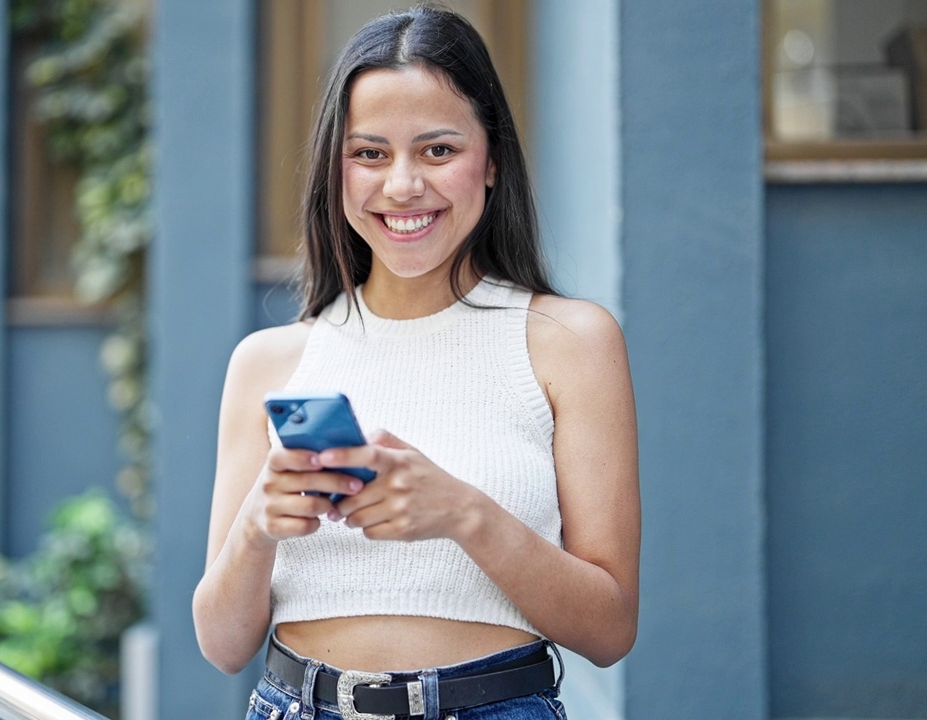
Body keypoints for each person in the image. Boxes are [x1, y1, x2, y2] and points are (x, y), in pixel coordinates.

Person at [193, 5, 639, 718]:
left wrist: (464, 513)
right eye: (369, 153)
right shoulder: (269, 361)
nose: (402, 185)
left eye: (437, 151)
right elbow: (220, 643)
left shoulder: (570, 341)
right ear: (335, 171)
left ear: (491, 161)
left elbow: (610, 628)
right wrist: (256, 524)